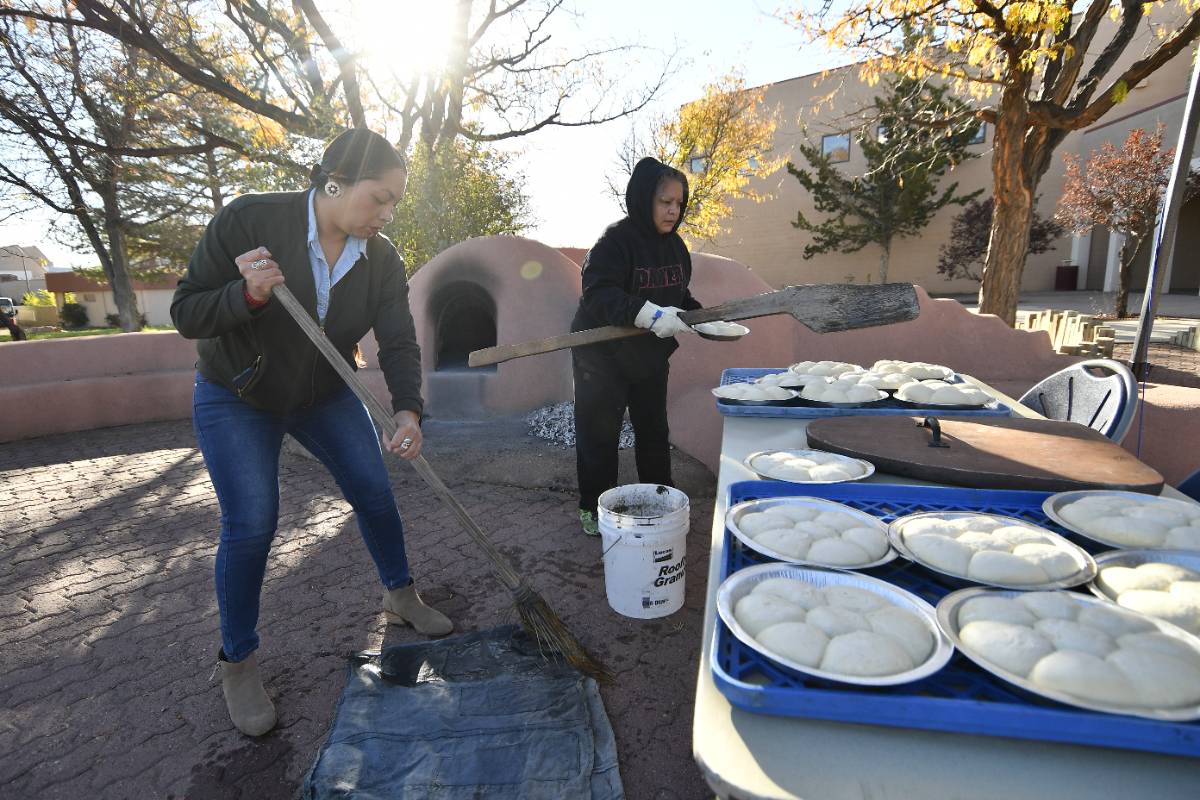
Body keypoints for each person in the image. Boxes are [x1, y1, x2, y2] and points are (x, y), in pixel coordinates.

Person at [172, 128, 452, 737]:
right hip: (238, 395)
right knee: (251, 522)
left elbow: (398, 339)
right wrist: (245, 294)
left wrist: (408, 410)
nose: (388, 212)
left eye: (396, 202)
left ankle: (399, 594)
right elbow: (186, 311)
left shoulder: (381, 258)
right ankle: (237, 660)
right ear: (334, 184)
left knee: (374, 491)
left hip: (324, 393)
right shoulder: (250, 221)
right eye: (380, 197)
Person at [571, 156, 701, 536]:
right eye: (665, 202)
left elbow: (678, 294)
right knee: (599, 434)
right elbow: (597, 294)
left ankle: (660, 500)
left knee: (653, 430)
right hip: (601, 355)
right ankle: (594, 509)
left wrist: (700, 317)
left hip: (648, 356)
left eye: (679, 203)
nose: (673, 210)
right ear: (644, 199)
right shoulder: (615, 242)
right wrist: (648, 314)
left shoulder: (677, 248)